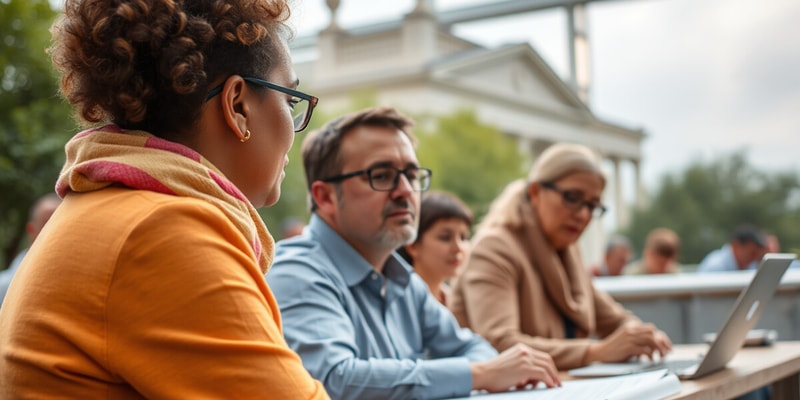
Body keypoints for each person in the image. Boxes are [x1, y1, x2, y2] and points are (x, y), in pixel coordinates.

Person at [0, 1, 327, 398]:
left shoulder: (119, 207)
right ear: (238, 104)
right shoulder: (163, 231)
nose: (295, 130)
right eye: (290, 101)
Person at [267, 106, 560, 400]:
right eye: (381, 175)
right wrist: (477, 375)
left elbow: (475, 350)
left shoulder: (401, 279)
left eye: (411, 174)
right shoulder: (297, 271)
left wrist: (478, 371)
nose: (405, 190)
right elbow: (334, 380)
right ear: (325, 197)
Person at [449, 143, 672, 370]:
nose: (583, 214)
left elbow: (613, 319)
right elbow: (498, 344)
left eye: (592, 205)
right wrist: (595, 352)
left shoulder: (567, 252)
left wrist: (641, 336)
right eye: (572, 197)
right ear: (535, 192)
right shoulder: (494, 249)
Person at [397, 190, 473, 305]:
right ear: (413, 246)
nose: (458, 248)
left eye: (463, 238)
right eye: (445, 238)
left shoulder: (456, 303)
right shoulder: (399, 302)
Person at [0, 193, 62, 304]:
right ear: (31, 230)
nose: (54, 230)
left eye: (60, 224)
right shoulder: (4, 287)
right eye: (46, 223)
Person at [697, 224, 767, 273]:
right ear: (736, 246)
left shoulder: (751, 266)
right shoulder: (714, 267)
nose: (754, 258)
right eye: (752, 253)